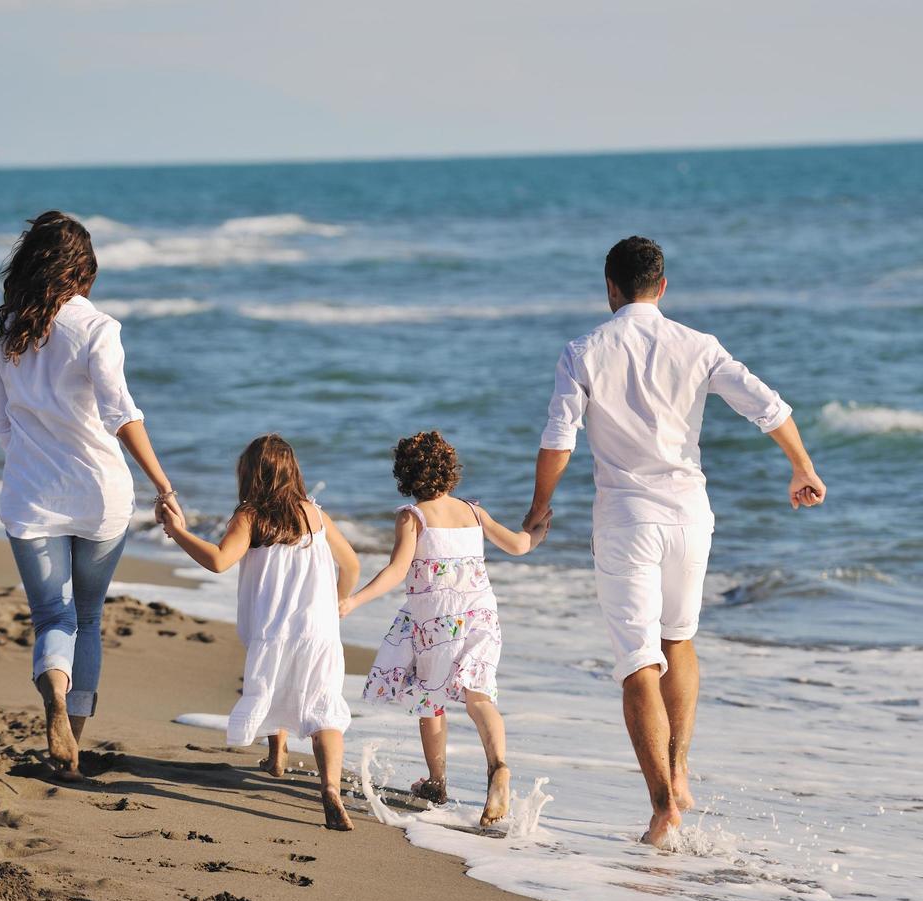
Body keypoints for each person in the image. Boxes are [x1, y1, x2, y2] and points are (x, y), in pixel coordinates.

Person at [523, 236, 825, 847]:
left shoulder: (584, 351)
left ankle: (663, 807)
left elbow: (561, 440)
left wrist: (539, 509)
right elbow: (766, 406)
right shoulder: (698, 345)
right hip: (691, 516)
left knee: (639, 662)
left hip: (626, 519)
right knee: (679, 641)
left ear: (610, 288)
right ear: (662, 288)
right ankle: (680, 770)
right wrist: (803, 467)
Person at [0, 210, 182, 782]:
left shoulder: (3, 333)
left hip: (30, 496)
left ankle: (53, 706)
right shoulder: (98, 329)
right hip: (100, 493)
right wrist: (163, 485)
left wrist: (34, 462)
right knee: (88, 617)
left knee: (51, 615)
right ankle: (76, 735)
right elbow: (122, 414)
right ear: (82, 272)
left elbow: (3, 426)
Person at [342, 431, 550, 827]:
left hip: (435, 622)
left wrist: (354, 600)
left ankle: (437, 782)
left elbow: (397, 571)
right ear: (450, 471)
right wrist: (538, 531)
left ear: (403, 475)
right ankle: (499, 766)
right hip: (482, 615)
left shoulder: (413, 516)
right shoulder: (473, 511)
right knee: (479, 696)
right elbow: (520, 546)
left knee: (429, 700)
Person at [162, 434, 360, 831]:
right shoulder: (314, 514)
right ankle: (331, 790)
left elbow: (219, 561)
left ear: (250, 474)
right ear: (293, 473)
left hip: (272, 630)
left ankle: (277, 756)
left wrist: (177, 531)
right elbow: (351, 564)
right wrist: (339, 602)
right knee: (324, 708)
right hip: (318, 630)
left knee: (271, 684)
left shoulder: (250, 517)